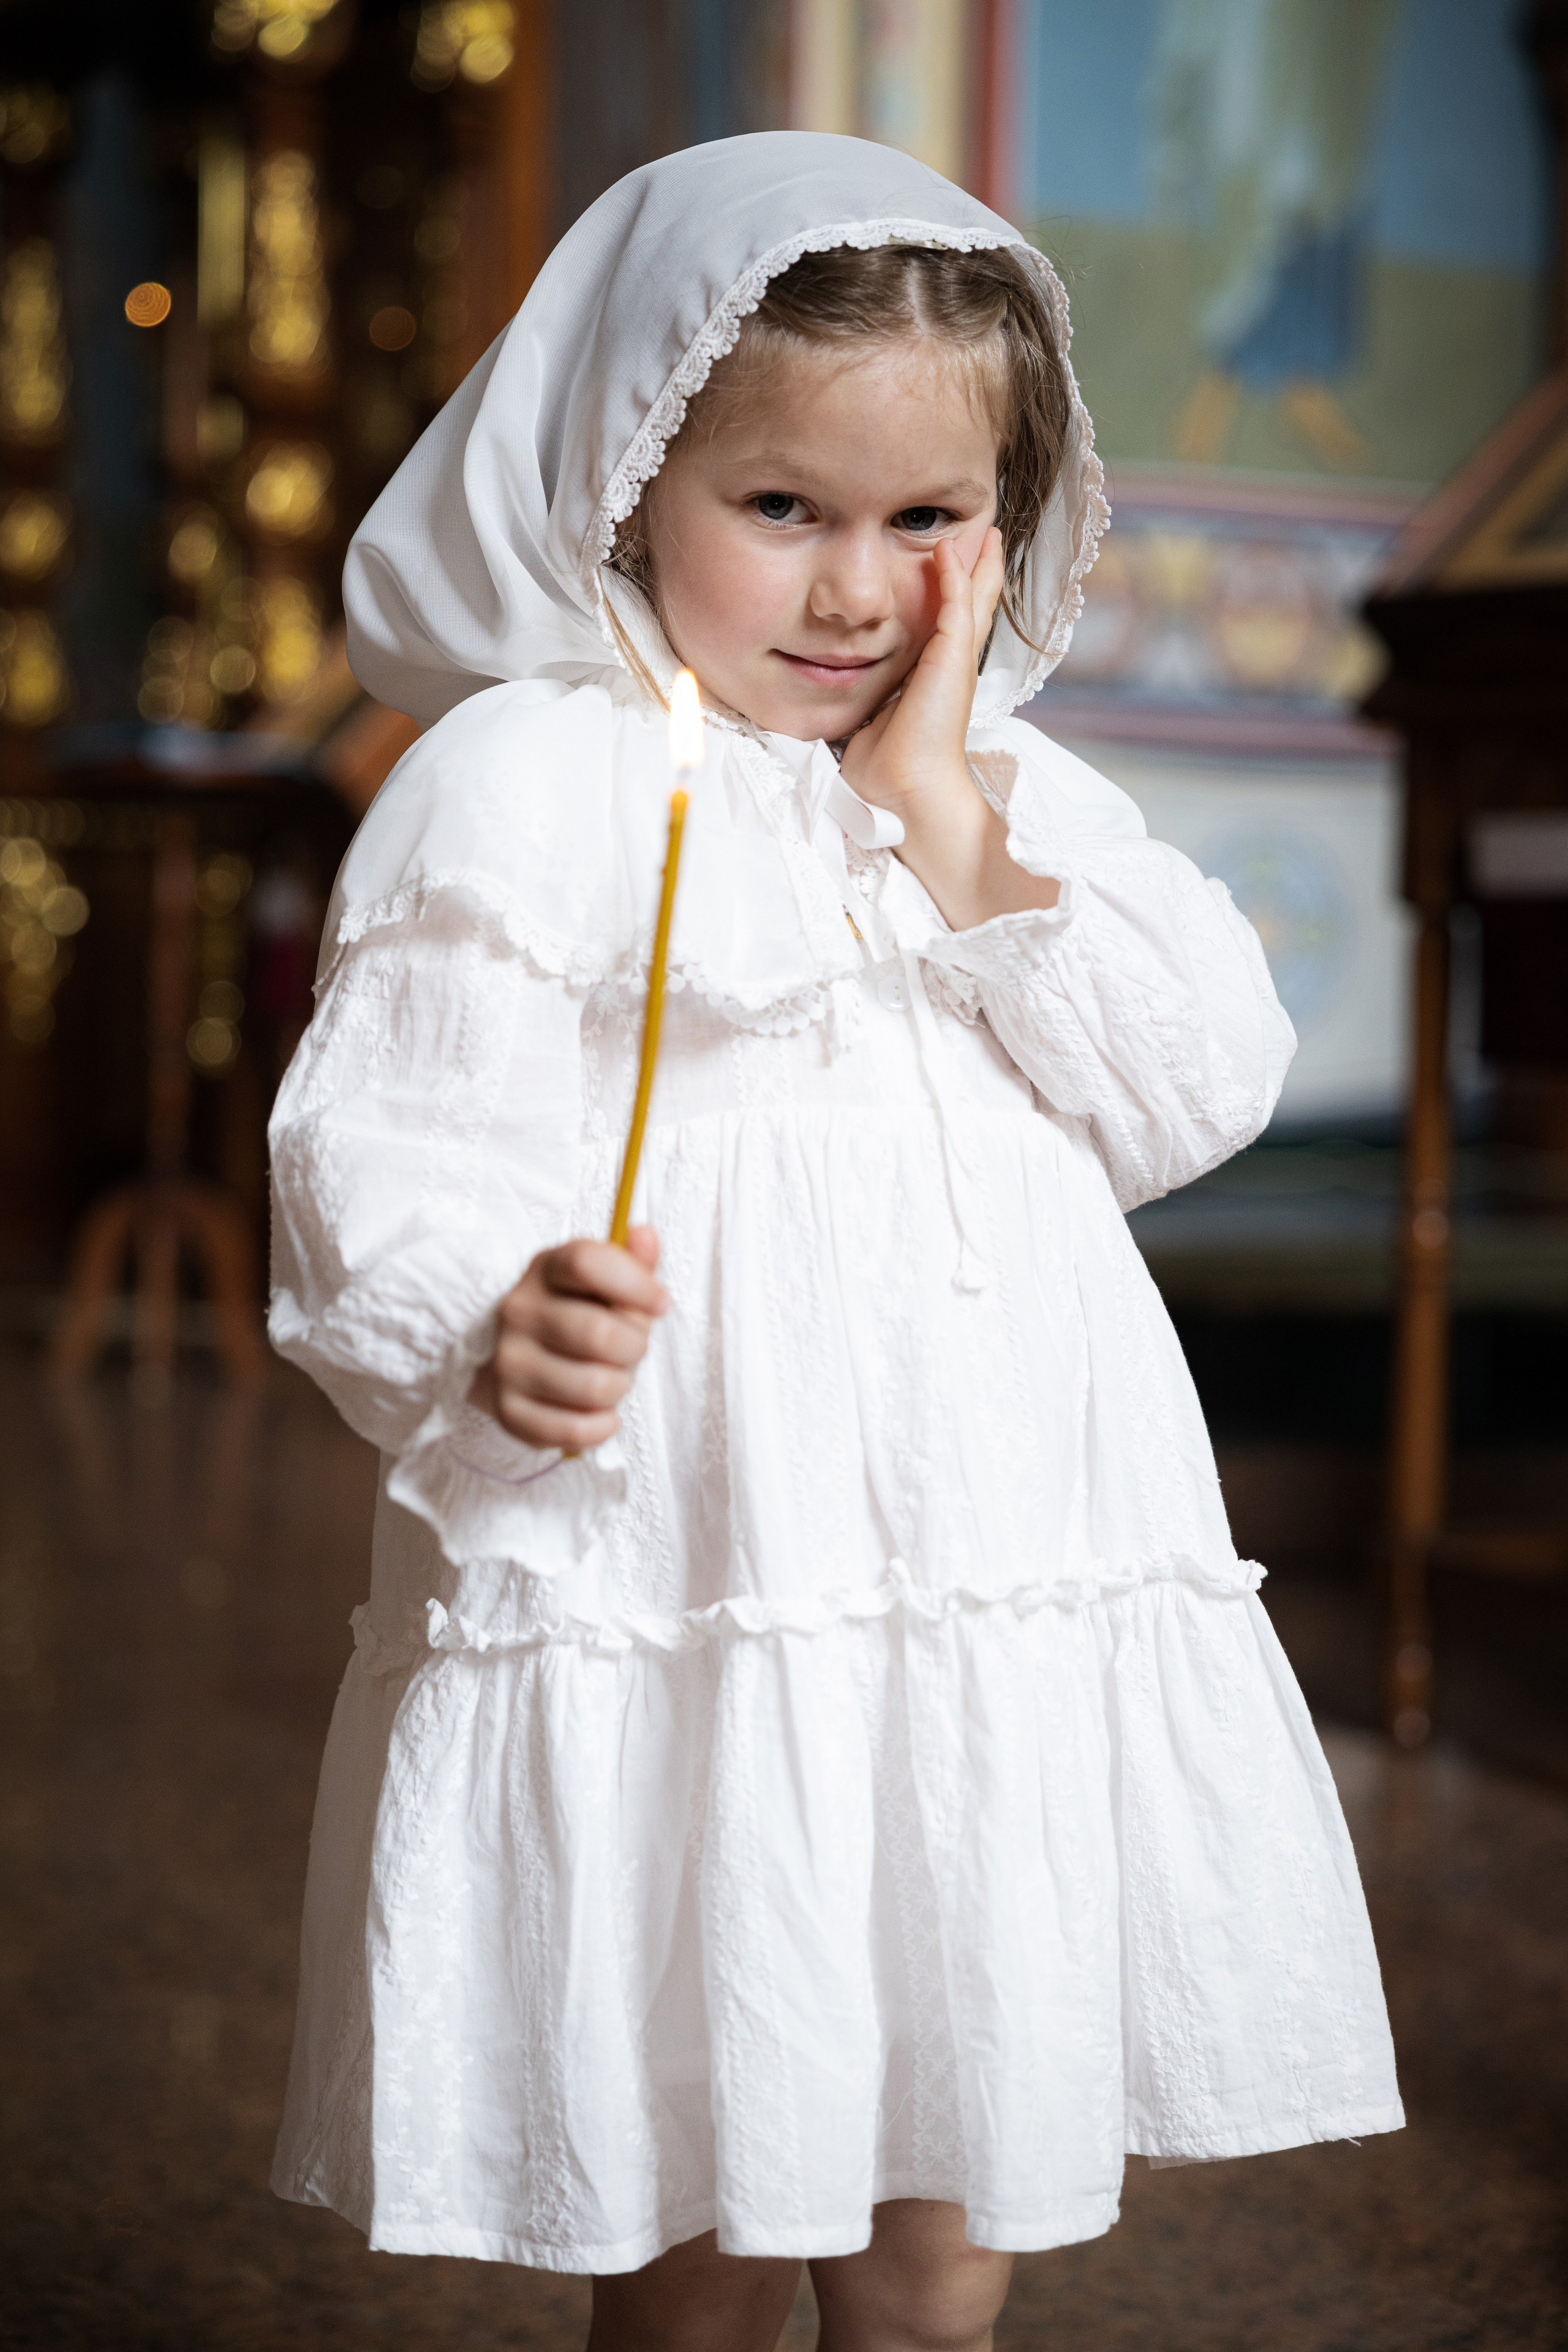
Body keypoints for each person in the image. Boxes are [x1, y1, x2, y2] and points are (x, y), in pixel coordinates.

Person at [268, 134, 1402, 2352]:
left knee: (939, 2227)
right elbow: (378, 1152)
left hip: (981, 1582)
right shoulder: (531, 780)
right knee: (700, 2213)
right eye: (780, 509)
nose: (856, 591)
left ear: (1006, 530)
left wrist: (960, 832)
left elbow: (1194, 1091)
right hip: (700, 1572)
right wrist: (493, 1318)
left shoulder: (1023, 801)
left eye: (925, 523)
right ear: (625, 479)